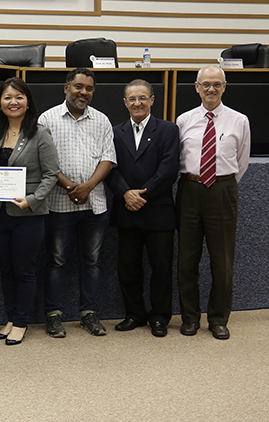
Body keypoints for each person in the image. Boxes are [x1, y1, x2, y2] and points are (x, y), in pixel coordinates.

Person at [37, 67, 116, 338]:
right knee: (57, 261)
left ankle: (88, 314)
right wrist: (71, 187)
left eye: (89, 89)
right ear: (66, 88)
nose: (83, 92)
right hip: (59, 203)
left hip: (95, 204)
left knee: (92, 261)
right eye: (78, 87)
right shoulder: (47, 119)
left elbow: (108, 158)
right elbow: (44, 162)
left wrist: (88, 187)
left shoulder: (102, 120)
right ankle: (54, 315)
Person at [175, 65, 250, 340]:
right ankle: (190, 318)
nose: (211, 89)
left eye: (216, 84)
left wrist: (221, 184)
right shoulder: (183, 120)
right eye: (205, 84)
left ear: (224, 87)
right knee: (187, 260)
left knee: (222, 261)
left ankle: (218, 318)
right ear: (196, 87)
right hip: (190, 190)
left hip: (222, 190)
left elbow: (241, 162)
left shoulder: (239, 120)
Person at [0, 77, 59, 345]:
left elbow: (51, 174)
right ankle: (11, 317)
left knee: (24, 270)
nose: (13, 102)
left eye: (18, 97)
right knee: (6, 269)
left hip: (27, 215)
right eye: (7, 97)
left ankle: (21, 322)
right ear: (0, 103)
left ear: (28, 103)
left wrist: (33, 199)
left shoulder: (40, 134)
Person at [107, 79, 180, 338]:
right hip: (126, 209)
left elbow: (169, 170)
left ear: (152, 100)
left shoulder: (169, 130)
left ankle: (159, 317)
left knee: (161, 269)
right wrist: (126, 193)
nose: (137, 103)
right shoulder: (114, 132)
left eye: (142, 98)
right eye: (132, 99)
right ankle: (134, 314)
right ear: (125, 103)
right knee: (128, 267)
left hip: (158, 211)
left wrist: (142, 195)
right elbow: (109, 167)